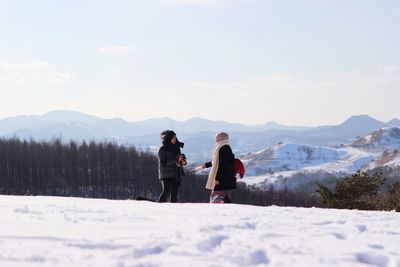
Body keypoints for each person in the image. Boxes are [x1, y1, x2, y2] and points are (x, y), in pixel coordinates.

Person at [200, 132, 236, 203]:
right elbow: (218, 161)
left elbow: (221, 165)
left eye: (217, 138)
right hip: (227, 177)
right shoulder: (227, 147)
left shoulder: (221, 148)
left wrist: (217, 178)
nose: (215, 140)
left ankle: (218, 211)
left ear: (220, 138)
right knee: (225, 194)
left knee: (216, 196)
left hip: (222, 177)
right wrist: (207, 165)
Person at [158, 130, 186, 203]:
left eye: (175, 137)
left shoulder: (177, 148)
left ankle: (173, 210)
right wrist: (176, 160)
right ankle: (158, 206)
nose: (175, 139)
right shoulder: (162, 149)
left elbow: (180, 160)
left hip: (176, 174)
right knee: (166, 192)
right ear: (168, 138)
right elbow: (164, 162)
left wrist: (183, 161)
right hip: (166, 174)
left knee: (174, 194)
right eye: (173, 138)